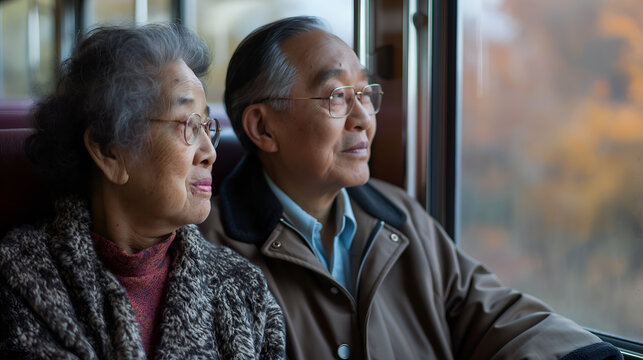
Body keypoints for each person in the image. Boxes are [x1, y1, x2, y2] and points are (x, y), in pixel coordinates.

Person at [200, 16, 623, 360]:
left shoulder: (398, 215)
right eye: (336, 97)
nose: (363, 116)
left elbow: (489, 311)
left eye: (365, 93)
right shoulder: (206, 252)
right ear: (262, 127)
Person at [0, 23, 285, 359]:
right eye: (188, 126)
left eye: (208, 128)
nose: (210, 152)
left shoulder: (242, 285)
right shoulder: (23, 276)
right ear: (110, 151)